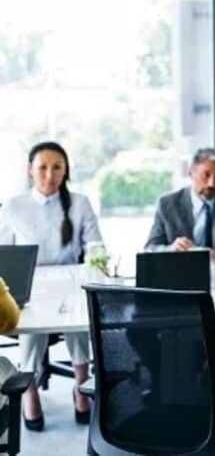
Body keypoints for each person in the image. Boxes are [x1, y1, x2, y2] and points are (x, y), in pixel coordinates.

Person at [0, 141, 101, 431]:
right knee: (30, 328)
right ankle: (30, 392)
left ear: (66, 170)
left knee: (81, 321)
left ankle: (81, 386)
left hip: (71, 283)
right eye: (42, 167)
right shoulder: (14, 205)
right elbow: (3, 253)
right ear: (30, 170)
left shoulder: (80, 203)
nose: (49, 175)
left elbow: (95, 244)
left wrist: (96, 258)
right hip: (31, 285)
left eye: (57, 167)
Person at [145, 147, 215, 265]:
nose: (212, 183)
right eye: (206, 175)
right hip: (178, 274)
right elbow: (150, 248)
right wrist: (171, 249)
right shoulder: (167, 203)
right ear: (191, 173)